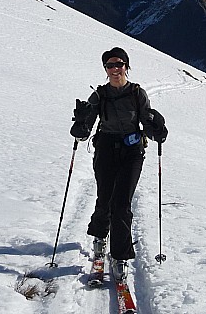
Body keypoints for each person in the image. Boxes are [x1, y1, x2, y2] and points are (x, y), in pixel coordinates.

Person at [70, 47, 168, 281]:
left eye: (119, 64)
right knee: (105, 197)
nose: (115, 69)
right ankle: (99, 236)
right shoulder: (100, 95)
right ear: (105, 69)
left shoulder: (137, 93)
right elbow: (85, 129)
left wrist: (157, 130)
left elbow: (147, 120)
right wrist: (81, 125)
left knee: (122, 202)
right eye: (110, 65)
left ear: (127, 66)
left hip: (132, 151)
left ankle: (120, 255)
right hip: (105, 148)